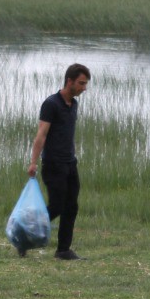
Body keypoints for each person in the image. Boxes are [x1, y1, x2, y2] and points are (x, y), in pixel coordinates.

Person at [28, 63, 91, 260]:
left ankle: (63, 250)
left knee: (71, 206)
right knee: (56, 206)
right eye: (81, 83)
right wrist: (33, 162)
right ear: (69, 81)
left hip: (70, 163)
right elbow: (41, 134)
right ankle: (26, 235)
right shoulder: (51, 104)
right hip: (53, 164)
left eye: (86, 84)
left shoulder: (74, 104)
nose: (84, 88)